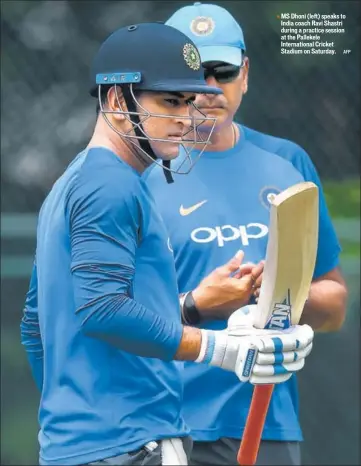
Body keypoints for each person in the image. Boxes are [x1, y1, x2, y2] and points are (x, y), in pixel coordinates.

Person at [20, 22, 314, 466]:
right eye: (170, 101)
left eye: (189, 102)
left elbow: (38, 326)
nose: (185, 117)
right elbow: (103, 310)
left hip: (81, 449)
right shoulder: (111, 185)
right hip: (133, 447)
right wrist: (223, 349)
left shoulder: (73, 182)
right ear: (117, 100)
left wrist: (190, 307)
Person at [144, 3, 348, 466]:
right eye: (195, 72)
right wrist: (199, 303)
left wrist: (272, 300)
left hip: (266, 423)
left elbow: (334, 304)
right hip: (164, 428)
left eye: (224, 71)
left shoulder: (287, 162)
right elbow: (108, 315)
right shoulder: (136, 171)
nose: (210, 88)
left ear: (246, 73)